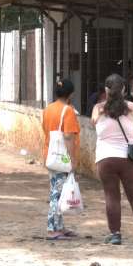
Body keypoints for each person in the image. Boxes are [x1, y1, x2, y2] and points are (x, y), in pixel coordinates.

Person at [91, 74, 133, 245]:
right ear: (125, 90)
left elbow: (94, 124)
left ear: (106, 90)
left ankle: (115, 234)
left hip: (105, 158)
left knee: (112, 196)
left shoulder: (98, 108)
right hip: (129, 159)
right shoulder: (132, 108)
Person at [42, 79, 80, 240]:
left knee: (58, 190)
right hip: (62, 158)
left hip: (50, 155)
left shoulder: (48, 109)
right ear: (71, 94)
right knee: (57, 194)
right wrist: (73, 160)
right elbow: (68, 137)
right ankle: (52, 229)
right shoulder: (68, 111)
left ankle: (59, 226)